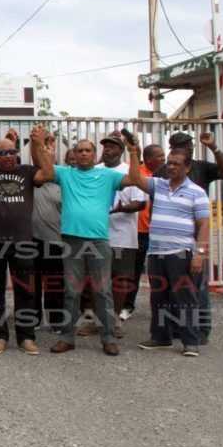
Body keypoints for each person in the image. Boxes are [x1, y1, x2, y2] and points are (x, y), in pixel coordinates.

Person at [48, 135, 141, 356]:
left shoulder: (107, 175)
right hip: (71, 239)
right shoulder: (65, 174)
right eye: (79, 151)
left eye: (87, 150)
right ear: (75, 156)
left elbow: (136, 179)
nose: (83, 154)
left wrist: (134, 152)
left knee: (103, 291)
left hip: (99, 240)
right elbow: (44, 167)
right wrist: (39, 144)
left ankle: (108, 338)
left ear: (93, 154)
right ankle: (67, 338)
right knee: (72, 291)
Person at [0, 125, 53, 355]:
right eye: (3, 153)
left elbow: (48, 173)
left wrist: (37, 144)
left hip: (23, 241)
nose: (8, 156)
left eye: (12, 152)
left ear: (17, 153)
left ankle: (26, 337)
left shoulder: (27, 171)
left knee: (25, 291)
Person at [152, 131, 223, 345]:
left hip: (196, 232)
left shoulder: (201, 167)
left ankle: (201, 330)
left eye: (188, 145)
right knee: (169, 288)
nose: (187, 149)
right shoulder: (163, 170)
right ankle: (174, 329)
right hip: (168, 238)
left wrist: (214, 147)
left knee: (197, 286)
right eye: (181, 146)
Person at [132, 150, 211, 356]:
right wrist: (133, 152)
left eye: (176, 164)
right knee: (158, 298)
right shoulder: (159, 185)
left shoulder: (197, 192)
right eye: (169, 163)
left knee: (184, 298)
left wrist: (199, 254)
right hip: (156, 253)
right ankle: (161, 338)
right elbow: (134, 178)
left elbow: (203, 225)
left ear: (187, 168)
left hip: (180, 253)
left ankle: (190, 342)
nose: (171, 167)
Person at [77, 133, 147, 339]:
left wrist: (116, 210)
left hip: (122, 237)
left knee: (119, 281)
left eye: (113, 146)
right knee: (92, 280)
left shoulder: (128, 171)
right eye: (105, 146)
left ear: (121, 150)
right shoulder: (94, 171)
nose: (108, 149)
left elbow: (140, 202)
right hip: (93, 234)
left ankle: (113, 321)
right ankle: (93, 321)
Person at [122, 144, 165, 319]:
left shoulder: (166, 175)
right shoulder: (135, 172)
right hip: (138, 231)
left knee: (159, 273)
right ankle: (127, 306)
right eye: (160, 156)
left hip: (157, 232)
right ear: (148, 159)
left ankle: (162, 309)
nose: (164, 159)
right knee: (133, 271)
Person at [31, 133, 65, 334]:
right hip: (32, 239)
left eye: (49, 153)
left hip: (56, 241)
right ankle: (33, 318)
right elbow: (36, 155)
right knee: (32, 282)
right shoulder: (33, 177)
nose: (45, 155)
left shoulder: (63, 180)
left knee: (55, 283)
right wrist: (38, 143)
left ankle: (57, 320)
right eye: (42, 153)